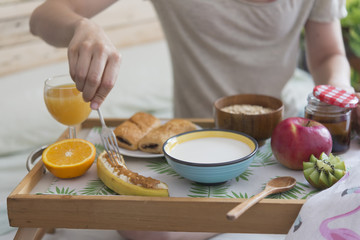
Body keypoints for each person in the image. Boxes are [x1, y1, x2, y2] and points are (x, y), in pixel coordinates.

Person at [29, 0, 360, 239]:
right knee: (148, 231)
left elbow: (327, 53)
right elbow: (43, 16)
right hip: (188, 148)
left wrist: (339, 92)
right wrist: (82, 26)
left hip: (278, 143)